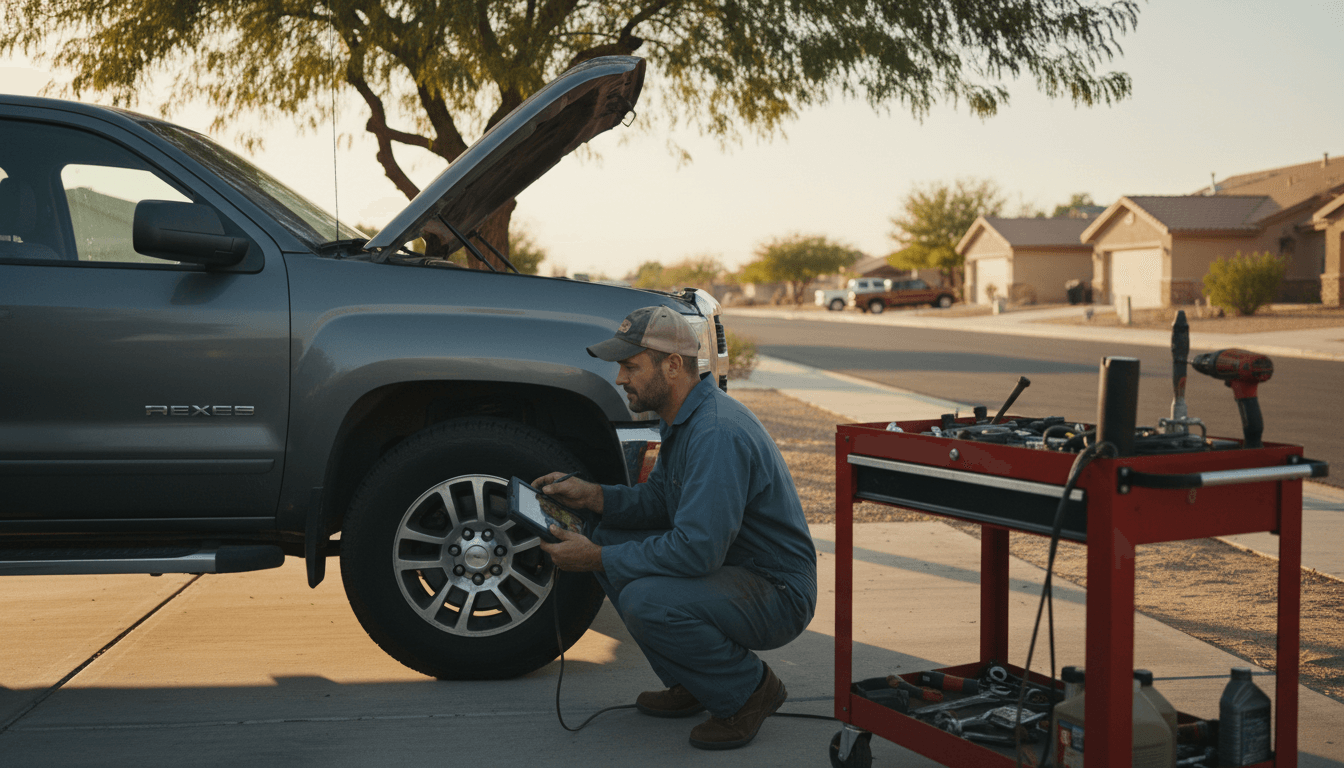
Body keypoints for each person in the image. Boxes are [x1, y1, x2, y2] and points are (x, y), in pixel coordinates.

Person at [535, 305, 817, 750]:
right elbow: (659, 502)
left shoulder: (716, 433)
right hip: (735, 570)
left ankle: (748, 691)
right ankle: (696, 680)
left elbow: (697, 551)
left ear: (673, 365)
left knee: (649, 600)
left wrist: (595, 557)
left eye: (631, 366)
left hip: (776, 591)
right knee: (607, 539)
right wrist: (593, 496)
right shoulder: (684, 419)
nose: (620, 379)